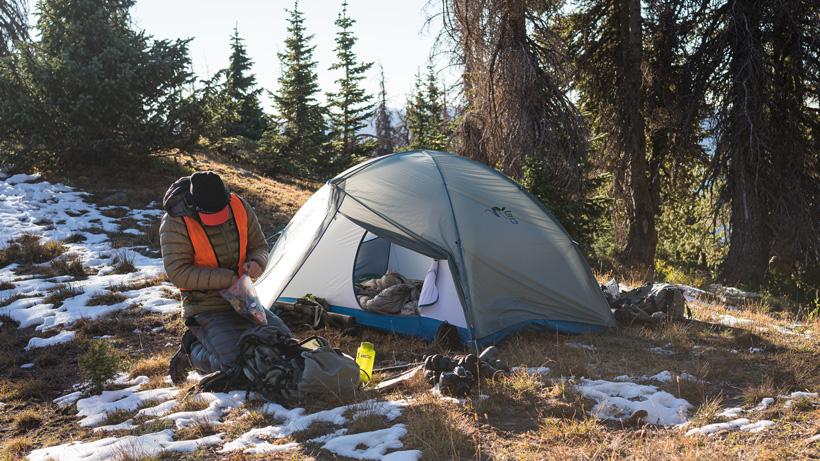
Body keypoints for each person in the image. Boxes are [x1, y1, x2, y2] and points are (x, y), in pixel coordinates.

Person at [159, 171, 291, 384]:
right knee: (235, 366)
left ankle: (208, 341)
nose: (219, 217)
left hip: (243, 298)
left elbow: (259, 246)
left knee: (284, 343)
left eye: (221, 211)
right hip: (205, 306)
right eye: (211, 214)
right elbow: (178, 273)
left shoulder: (239, 205)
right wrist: (226, 278)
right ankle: (191, 349)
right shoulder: (175, 221)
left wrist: (257, 262)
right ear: (194, 205)